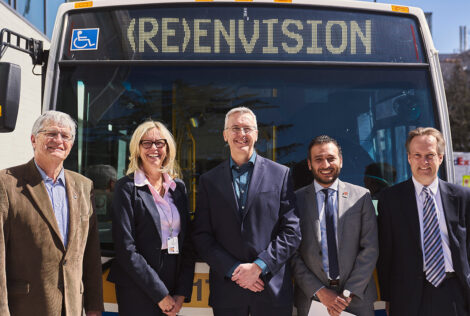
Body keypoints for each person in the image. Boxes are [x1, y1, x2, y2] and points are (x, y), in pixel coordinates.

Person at [192, 107, 301, 316]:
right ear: (225, 135)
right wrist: (235, 271)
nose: (241, 134)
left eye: (247, 128)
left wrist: (259, 267)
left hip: (271, 291)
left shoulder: (281, 175)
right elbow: (201, 235)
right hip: (228, 293)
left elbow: (292, 231)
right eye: (235, 128)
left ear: (256, 135)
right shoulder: (209, 181)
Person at [0, 111, 103, 316]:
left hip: (72, 307)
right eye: (51, 133)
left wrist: (93, 308)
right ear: (33, 139)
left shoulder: (84, 186)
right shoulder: (6, 183)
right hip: (26, 308)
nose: (58, 140)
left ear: (71, 144)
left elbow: (91, 254)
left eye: (65, 136)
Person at [377, 127, 470, 316]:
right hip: (407, 296)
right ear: (409, 158)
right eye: (417, 155)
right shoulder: (390, 199)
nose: (424, 162)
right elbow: (386, 252)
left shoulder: (462, 196)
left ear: (441, 158)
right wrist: (386, 297)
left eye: (430, 155)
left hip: (454, 291)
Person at [107, 121, 194, 316]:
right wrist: (160, 294)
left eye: (159, 143)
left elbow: (187, 243)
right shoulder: (126, 188)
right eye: (146, 143)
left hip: (173, 281)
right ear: (137, 149)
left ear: (167, 148)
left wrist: (181, 292)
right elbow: (126, 249)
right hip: (137, 286)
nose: (153, 148)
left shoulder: (178, 188)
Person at [291, 135, 378, 316]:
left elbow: (370, 248)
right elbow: (292, 254)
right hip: (313, 300)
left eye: (331, 158)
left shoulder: (361, 197)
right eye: (318, 159)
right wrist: (321, 292)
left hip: (356, 300)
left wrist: (346, 294)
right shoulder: (295, 201)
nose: (325, 165)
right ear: (309, 164)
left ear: (341, 161)